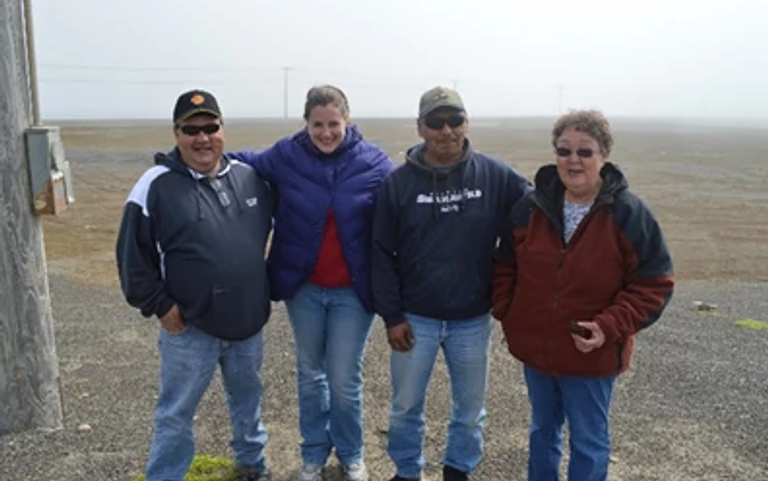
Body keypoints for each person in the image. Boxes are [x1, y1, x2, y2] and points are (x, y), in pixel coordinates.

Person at [491, 110, 675, 481]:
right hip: (537, 352)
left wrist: (608, 327)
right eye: (564, 150)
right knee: (542, 431)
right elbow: (504, 263)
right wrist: (509, 311)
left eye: (585, 151)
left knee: (589, 440)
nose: (573, 160)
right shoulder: (531, 207)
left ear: (603, 155)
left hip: (590, 354)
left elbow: (654, 282)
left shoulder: (627, 213)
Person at [230, 85, 394, 481]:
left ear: (347, 121)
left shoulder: (373, 163)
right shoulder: (287, 155)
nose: (325, 133)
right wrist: (187, 162)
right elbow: (240, 161)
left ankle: (352, 455)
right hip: (303, 289)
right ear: (306, 123)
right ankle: (313, 456)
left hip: (353, 293)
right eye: (317, 124)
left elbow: (403, 205)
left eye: (333, 124)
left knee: (343, 379)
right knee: (309, 375)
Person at [371, 86, 532, 481]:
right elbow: (379, 253)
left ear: (467, 123)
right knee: (406, 405)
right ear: (420, 127)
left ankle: (458, 470)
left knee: (470, 407)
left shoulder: (494, 175)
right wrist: (392, 315)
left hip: (471, 319)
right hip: (414, 318)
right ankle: (407, 471)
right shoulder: (398, 184)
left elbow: (535, 207)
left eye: (455, 120)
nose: (447, 131)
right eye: (436, 122)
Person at [116, 89, 274, 481]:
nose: (202, 138)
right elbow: (132, 258)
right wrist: (160, 305)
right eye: (191, 129)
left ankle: (252, 465)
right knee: (176, 414)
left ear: (223, 129)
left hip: (247, 323)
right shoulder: (156, 185)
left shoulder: (249, 177)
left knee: (248, 402)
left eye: (211, 127)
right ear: (176, 134)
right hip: (190, 328)